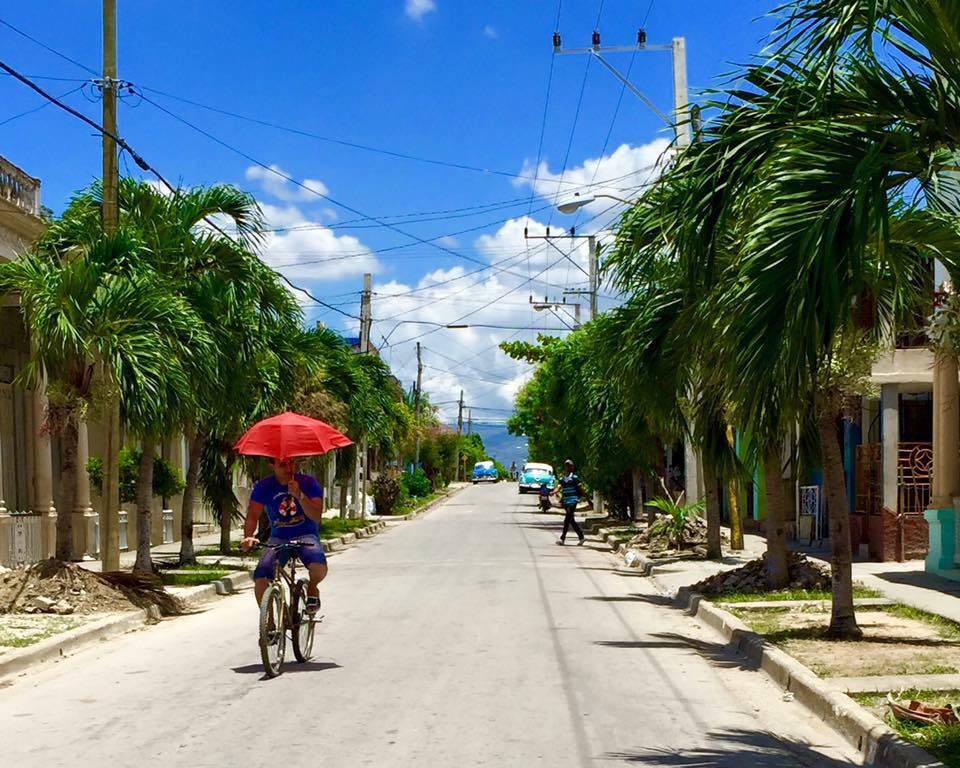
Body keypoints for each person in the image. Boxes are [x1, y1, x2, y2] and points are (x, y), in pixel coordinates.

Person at [241, 457, 327, 614]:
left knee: (318, 568)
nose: (288, 468)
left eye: (291, 463)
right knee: (261, 578)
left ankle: (313, 588)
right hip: (278, 538)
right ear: (271, 465)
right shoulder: (264, 486)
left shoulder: (308, 483)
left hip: (306, 535)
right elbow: (253, 515)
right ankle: (269, 623)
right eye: (282, 464)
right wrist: (248, 536)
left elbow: (316, 516)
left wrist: (299, 495)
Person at [553, 459, 588, 546]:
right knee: (571, 520)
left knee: (567, 518)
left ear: (572, 467)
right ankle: (581, 537)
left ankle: (562, 538)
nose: (568, 468)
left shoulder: (575, 478)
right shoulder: (562, 479)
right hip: (566, 501)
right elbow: (559, 486)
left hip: (573, 500)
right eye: (566, 466)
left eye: (569, 466)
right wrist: (554, 492)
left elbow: (580, 488)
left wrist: (587, 498)